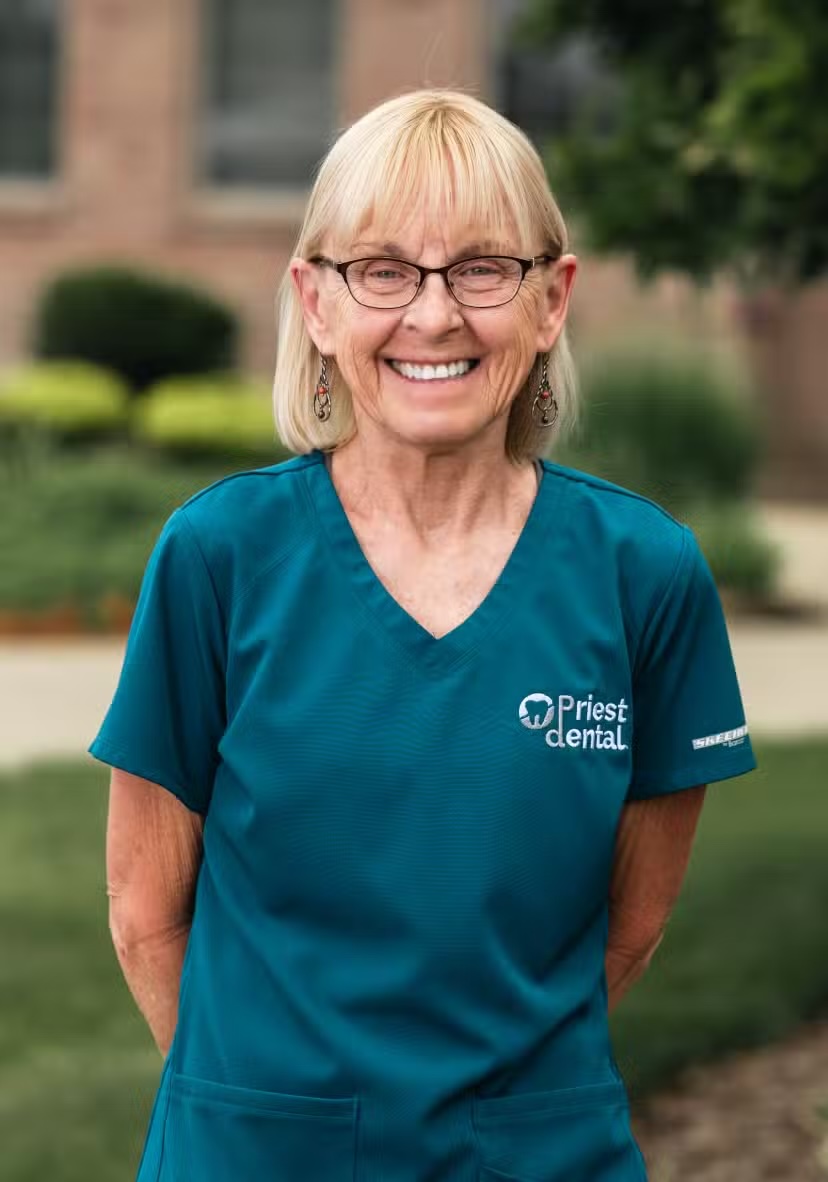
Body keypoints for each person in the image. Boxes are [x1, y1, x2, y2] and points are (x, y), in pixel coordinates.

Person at [89, 88, 757, 1182]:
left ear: (553, 301)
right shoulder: (219, 555)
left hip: (540, 1158)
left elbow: (628, 933)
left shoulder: (646, 574)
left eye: (484, 268)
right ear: (315, 301)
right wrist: (266, 1104)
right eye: (383, 270)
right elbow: (142, 912)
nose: (434, 315)